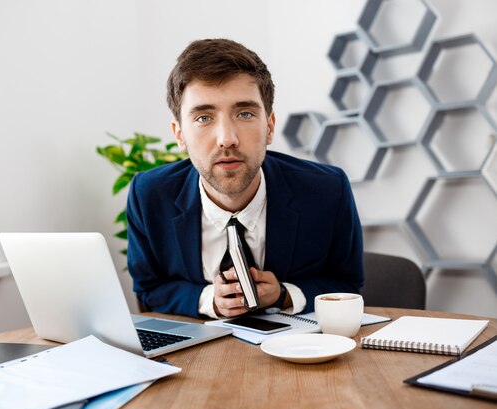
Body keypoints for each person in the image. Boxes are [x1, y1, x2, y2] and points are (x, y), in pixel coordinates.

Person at [126, 38, 364, 319]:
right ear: (180, 135)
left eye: (245, 113)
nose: (227, 139)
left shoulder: (327, 190)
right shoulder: (149, 194)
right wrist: (207, 300)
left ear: (270, 127)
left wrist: (284, 294)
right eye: (203, 118)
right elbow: (148, 287)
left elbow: (348, 284)